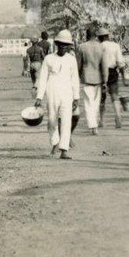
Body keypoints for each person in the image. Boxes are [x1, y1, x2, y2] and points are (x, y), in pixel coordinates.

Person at [34, 29, 80, 160]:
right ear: (56, 44)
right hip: (52, 91)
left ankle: (64, 149)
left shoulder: (71, 60)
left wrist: (76, 97)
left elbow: (75, 79)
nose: (63, 47)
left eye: (65, 45)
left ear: (69, 46)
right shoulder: (49, 59)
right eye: (60, 44)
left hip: (67, 92)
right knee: (52, 120)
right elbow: (43, 79)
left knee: (66, 120)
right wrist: (39, 97)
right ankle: (55, 142)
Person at [76, 28, 105, 135]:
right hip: (98, 79)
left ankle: (92, 126)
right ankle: (95, 126)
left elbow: (78, 64)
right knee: (96, 104)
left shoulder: (82, 47)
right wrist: (105, 79)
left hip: (86, 78)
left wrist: (77, 76)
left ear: (86, 35)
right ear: (96, 36)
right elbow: (103, 65)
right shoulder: (100, 46)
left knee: (88, 103)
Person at [97, 27, 127, 129]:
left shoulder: (98, 46)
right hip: (113, 72)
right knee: (114, 96)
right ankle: (118, 116)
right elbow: (120, 63)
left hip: (101, 73)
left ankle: (102, 120)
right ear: (107, 36)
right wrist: (124, 78)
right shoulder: (115, 46)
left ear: (99, 37)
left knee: (102, 98)